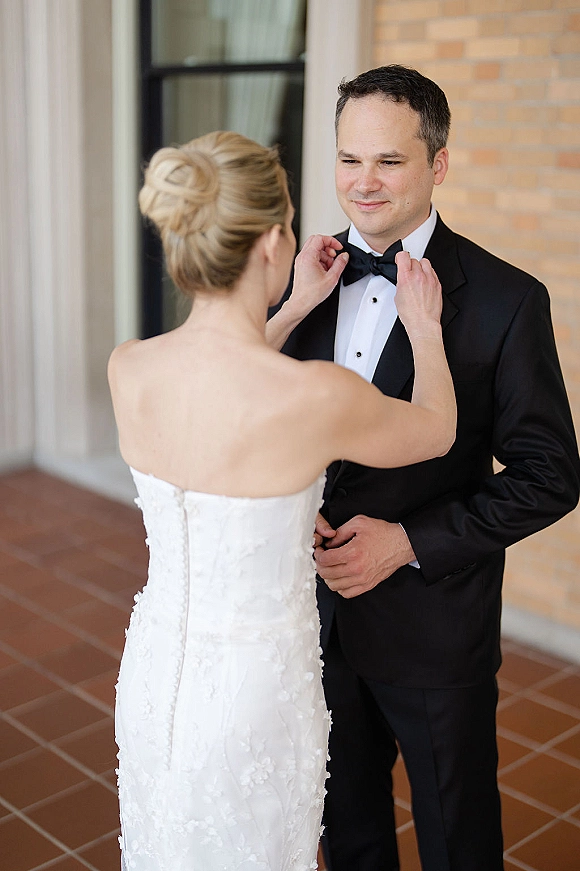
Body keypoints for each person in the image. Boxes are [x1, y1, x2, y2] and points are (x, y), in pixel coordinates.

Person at [108, 129, 456, 871]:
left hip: (154, 669)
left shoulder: (129, 367)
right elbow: (436, 430)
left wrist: (295, 305)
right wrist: (424, 331)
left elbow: (222, 400)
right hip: (253, 691)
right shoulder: (314, 398)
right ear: (273, 240)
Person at [270, 66, 580, 871]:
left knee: (458, 838)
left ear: (438, 164)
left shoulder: (507, 299)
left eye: (388, 161)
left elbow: (550, 474)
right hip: (315, 620)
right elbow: (254, 415)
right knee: (350, 829)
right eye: (347, 159)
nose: (361, 183)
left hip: (435, 629)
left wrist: (407, 540)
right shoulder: (300, 278)